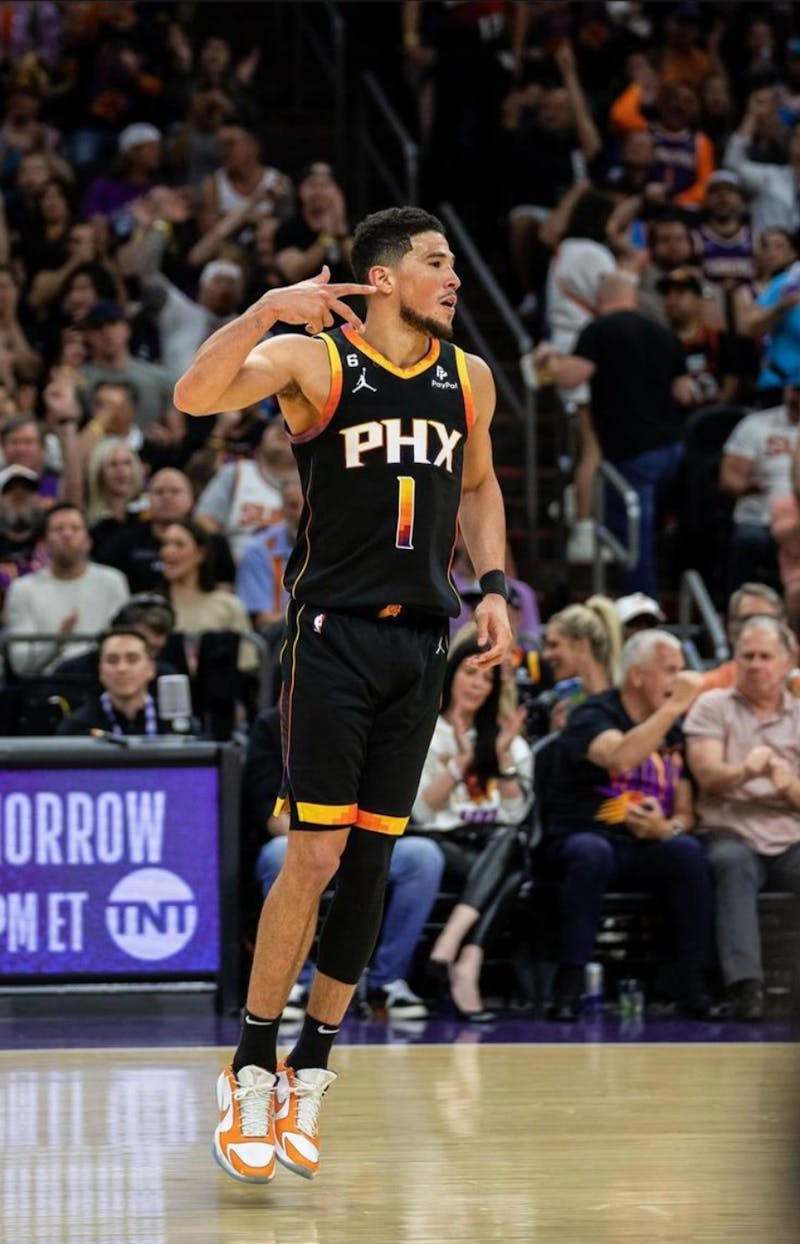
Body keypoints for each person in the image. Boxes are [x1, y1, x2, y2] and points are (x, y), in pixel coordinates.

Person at [174, 205, 511, 1184]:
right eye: (437, 262)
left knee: (371, 862)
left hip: (423, 642)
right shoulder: (315, 361)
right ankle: (249, 1065)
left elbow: (479, 487)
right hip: (332, 636)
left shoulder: (469, 377)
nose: (455, 277)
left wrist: (493, 587)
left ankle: (309, 1068)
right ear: (385, 276)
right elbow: (196, 395)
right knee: (315, 852)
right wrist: (264, 313)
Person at [539, 629, 714, 1022]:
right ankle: (568, 985)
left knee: (687, 852)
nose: (679, 680)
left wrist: (666, 828)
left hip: (642, 845)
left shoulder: (673, 732)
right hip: (580, 837)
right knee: (592, 853)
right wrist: (674, 707)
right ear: (637, 675)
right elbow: (619, 758)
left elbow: (687, 811)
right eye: (670, 670)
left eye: (681, 670)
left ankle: (694, 983)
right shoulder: (593, 714)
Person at [245, 706, 446, 1024]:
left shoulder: (368, 718)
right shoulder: (273, 725)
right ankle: (296, 983)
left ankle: (387, 983)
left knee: (423, 857)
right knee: (277, 855)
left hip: (361, 839)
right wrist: (319, 844)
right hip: (301, 840)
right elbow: (269, 811)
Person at [685, 616, 800, 1021]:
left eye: (765, 657)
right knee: (732, 864)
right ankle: (746, 988)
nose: (755, 665)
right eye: (746, 656)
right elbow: (707, 775)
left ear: (787, 662)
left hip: (789, 833)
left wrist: (788, 786)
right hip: (728, 828)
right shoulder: (712, 706)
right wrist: (745, 772)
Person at [410, 639, 532, 1021]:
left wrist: (503, 758)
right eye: (469, 673)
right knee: (512, 868)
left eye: (486, 679)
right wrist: (459, 763)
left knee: (512, 845)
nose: (477, 685)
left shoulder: (506, 739)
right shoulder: (423, 731)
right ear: (450, 675)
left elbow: (515, 814)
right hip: (441, 842)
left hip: (491, 845)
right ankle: (465, 959)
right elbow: (421, 813)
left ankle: (453, 948)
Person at [3, 501, 129, 675]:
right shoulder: (22, 589)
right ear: (45, 543)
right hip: (45, 682)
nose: (67, 535)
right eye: (58, 529)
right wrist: (58, 641)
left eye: (75, 528)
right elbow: (21, 664)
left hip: (101, 679)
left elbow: (124, 644)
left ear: (88, 541)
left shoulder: (113, 581)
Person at [55, 627, 170, 737]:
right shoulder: (77, 728)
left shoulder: (173, 722)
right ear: (100, 670)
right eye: (112, 660)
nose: (122, 668)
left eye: (132, 659)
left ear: (151, 669)